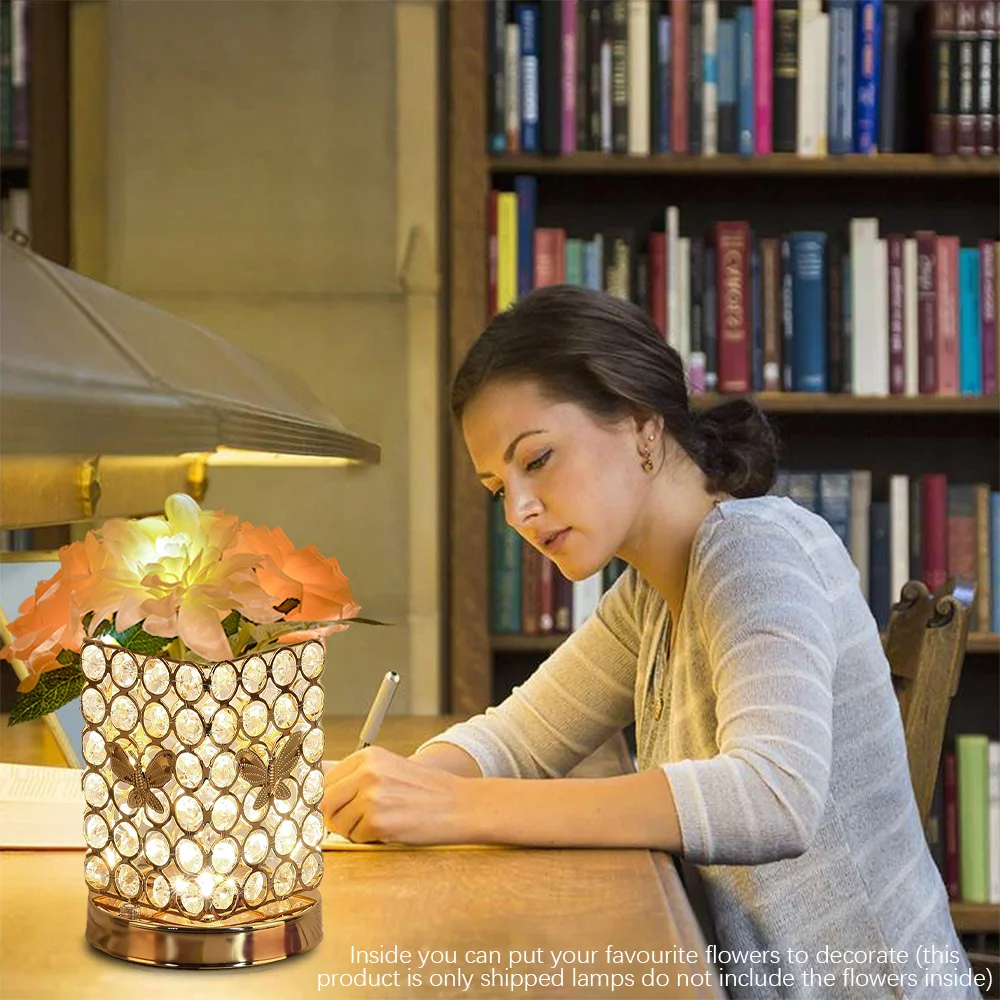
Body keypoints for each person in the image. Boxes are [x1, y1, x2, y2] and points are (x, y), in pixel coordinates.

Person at [322, 285, 977, 998]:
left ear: (642, 423)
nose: (519, 511)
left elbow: (771, 797)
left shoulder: (757, 549)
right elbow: (522, 737)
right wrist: (381, 789)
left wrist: (449, 809)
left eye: (536, 460)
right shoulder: (649, 594)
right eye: (496, 487)